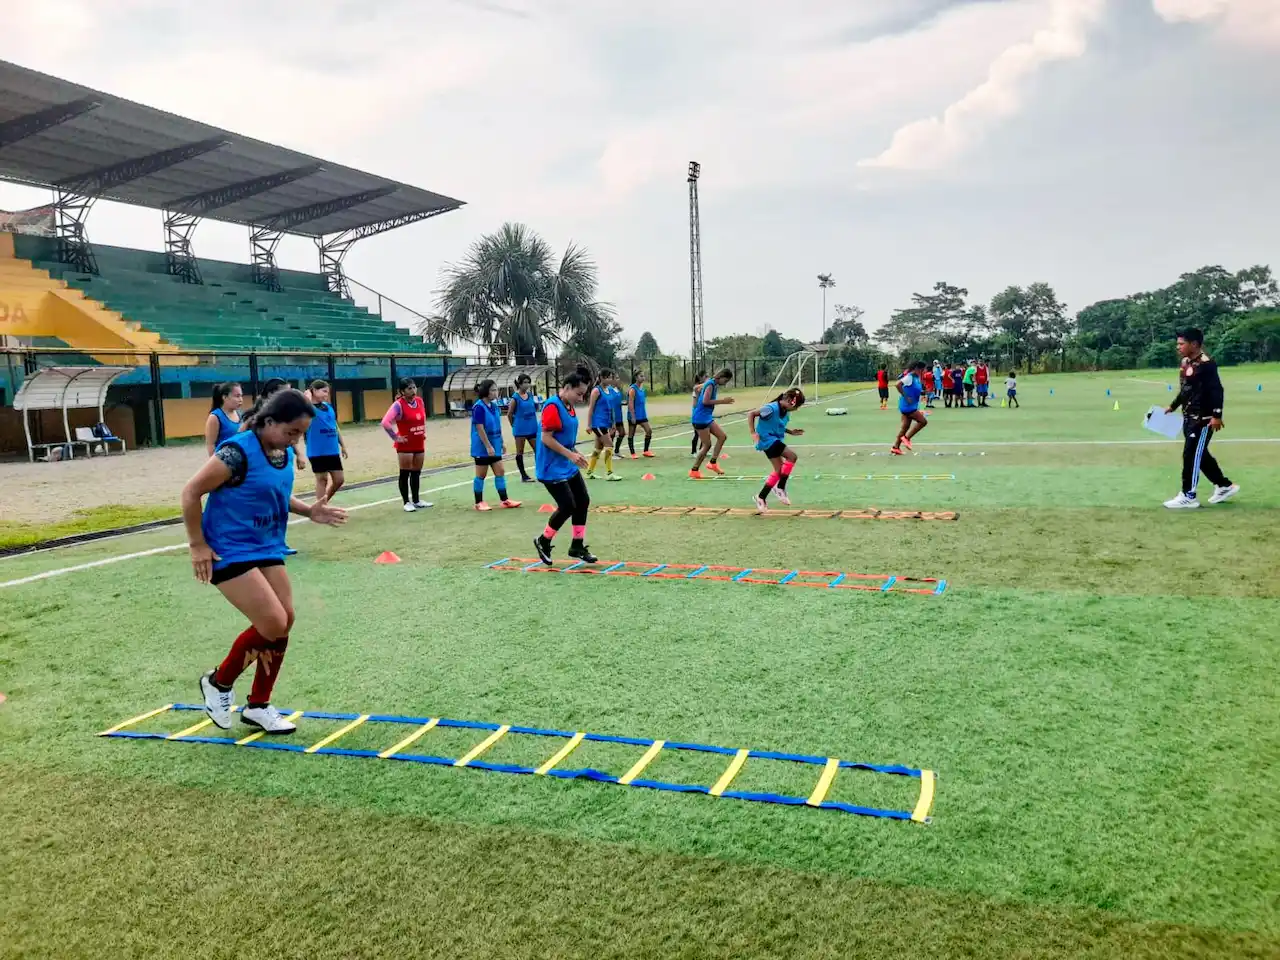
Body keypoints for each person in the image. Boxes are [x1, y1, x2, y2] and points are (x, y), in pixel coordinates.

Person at [185, 388, 347, 735]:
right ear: (269, 421)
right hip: (227, 548)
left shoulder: (281, 452)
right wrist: (197, 544)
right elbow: (191, 492)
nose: (296, 440)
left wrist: (309, 511)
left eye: (301, 434)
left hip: (267, 545)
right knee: (273, 622)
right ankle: (218, 682)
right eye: (291, 432)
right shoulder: (236, 452)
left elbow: (273, 491)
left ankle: (258, 706)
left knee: (284, 620)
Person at [1162, 328, 1239, 509]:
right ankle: (1224, 485)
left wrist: (1217, 415)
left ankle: (1188, 495)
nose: (1178, 347)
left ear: (1194, 344)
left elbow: (1217, 390)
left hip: (1203, 419)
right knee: (1200, 454)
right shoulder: (1185, 362)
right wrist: (1172, 406)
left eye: (1182, 344)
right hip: (1188, 417)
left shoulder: (1207, 364)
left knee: (1190, 454)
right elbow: (1186, 390)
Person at [532, 372, 597, 565]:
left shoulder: (569, 406)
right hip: (551, 467)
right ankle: (543, 541)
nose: (581, 398)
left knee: (583, 500)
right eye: (579, 393)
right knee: (568, 505)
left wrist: (575, 452)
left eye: (584, 394)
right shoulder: (552, 406)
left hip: (566, 464)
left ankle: (577, 545)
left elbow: (565, 439)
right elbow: (546, 438)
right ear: (567, 387)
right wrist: (571, 455)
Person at [748, 388, 806, 513]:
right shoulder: (770, 408)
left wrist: (791, 432)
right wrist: (753, 433)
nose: (796, 409)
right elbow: (751, 414)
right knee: (792, 457)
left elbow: (778, 425)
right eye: (796, 406)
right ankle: (780, 487)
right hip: (766, 440)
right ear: (790, 401)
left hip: (773, 439)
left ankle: (761, 497)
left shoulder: (785, 411)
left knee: (779, 471)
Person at [470, 379, 521, 511]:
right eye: (493, 390)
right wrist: (487, 446)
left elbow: (497, 425)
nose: (496, 392)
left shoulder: (494, 407)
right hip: (482, 447)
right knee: (481, 474)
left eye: (496, 389)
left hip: (495, 444)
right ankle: (478, 502)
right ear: (486, 392)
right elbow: (480, 428)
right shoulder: (478, 407)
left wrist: (502, 442)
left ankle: (504, 500)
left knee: (500, 471)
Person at [381, 378, 431, 512]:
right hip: (406, 445)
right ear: (402, 391)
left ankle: (416, 500)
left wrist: (423, 432)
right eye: (409, 388)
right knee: (405, 473)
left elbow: (423, 417)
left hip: (419, 442)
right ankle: (406, 502)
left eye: (414, 387)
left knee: (416, 473)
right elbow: (385, 422)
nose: (413, 391)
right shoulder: (399, 404)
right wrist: (396, 437)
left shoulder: (419, 401)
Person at [304, 379, 348, 504]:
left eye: (327, 392)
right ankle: (320, 506)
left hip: (332, 449)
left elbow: (334, 426)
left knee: (339, 480)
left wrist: (343, 445)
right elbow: (302, 411)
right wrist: (307, 397)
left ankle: (322, 503)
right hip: (316, 450)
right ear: (314, 390)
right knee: (322, 479)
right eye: (324, 391)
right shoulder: (308, 408)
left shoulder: (328, 407)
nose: (326, 395)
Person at [690, 369, 735, 479]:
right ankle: (694, 470)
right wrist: (723, 401)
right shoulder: (710, 384)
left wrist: (696, 400)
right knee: (707, 445)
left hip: (706, 417)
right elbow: (705, 401)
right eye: (726, 380)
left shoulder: (711, 383)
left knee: (722, 436)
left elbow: (696, 388)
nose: (725, 383)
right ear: (721, 377)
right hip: (700, 418)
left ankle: (713, 463)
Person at [585, 370, 621, 481]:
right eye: (608, 377)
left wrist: (613, 422)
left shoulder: (610, 390)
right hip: (598, 423)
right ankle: (609, 473)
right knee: (609, 445)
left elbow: (612, 407)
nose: (610, 379)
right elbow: (591, 408)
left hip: (606, 422)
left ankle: (589, 472)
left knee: (598, 448)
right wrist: (589, 424)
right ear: (601, 378)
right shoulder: (596, 391)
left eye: (611, 377)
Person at [507, 374, 540, 483]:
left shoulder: (530, 395)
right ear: (519, 384)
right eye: (524, 382)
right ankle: (524, 476)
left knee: (538, 449)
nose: (527, 385)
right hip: (520, 429)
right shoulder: (515, 398)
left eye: (528, 382)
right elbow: (509, 414)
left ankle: (540, 472)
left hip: (532, 428)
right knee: (520, 452)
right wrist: (514, 425)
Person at [891, 361, 928, 455]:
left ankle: (895, 447)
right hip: (907, 406)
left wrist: (922, 392)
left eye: (923, 370)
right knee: (923, 422)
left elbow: (914, 389)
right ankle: (907, 438)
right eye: (921, 370)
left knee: (905, 427)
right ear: (916, 368)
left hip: (911, 405)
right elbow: (898, 384)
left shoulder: (916, 378)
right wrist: (906, 396)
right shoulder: (909, 377)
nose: (922, 371)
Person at [205, 382, 243, 455]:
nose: (241, 399)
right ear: (225, 397)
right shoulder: (215, 417)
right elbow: (211, 445)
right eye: (237, 396)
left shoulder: (241, 414)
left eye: (241, 396)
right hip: (224, 462)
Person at [626, 370, 655, 459]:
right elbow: (630, 404)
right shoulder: (632, 389)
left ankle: (646, 451)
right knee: (631, 433)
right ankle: (633, 453)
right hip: (634, 415)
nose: (643, 378)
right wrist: (633, 416)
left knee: (649, 430)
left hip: (642, 415)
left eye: (643, 376)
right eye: (641, 376)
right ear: (636, 377)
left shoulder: (643, 389)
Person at [608, 376, 627, 456]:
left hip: (619, 415)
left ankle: (616, 451)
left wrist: (624, 403)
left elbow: (617, 401)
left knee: (622, 433)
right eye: (616, 378)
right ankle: (609, 453)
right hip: (612, 416)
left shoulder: (617, 389)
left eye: (618, 378)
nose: (618, 379)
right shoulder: (609, 390)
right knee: (612, 434)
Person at [690, 370, 708, 453]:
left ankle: (702, 450)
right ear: (701, 377)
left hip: (703, 413)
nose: (707, 378)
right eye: (705, 376)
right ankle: (693, 452)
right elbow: (694, 404)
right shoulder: (697, 387)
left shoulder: (704, 387)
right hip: (697, 414)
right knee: (697, 433)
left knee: (705, 433)